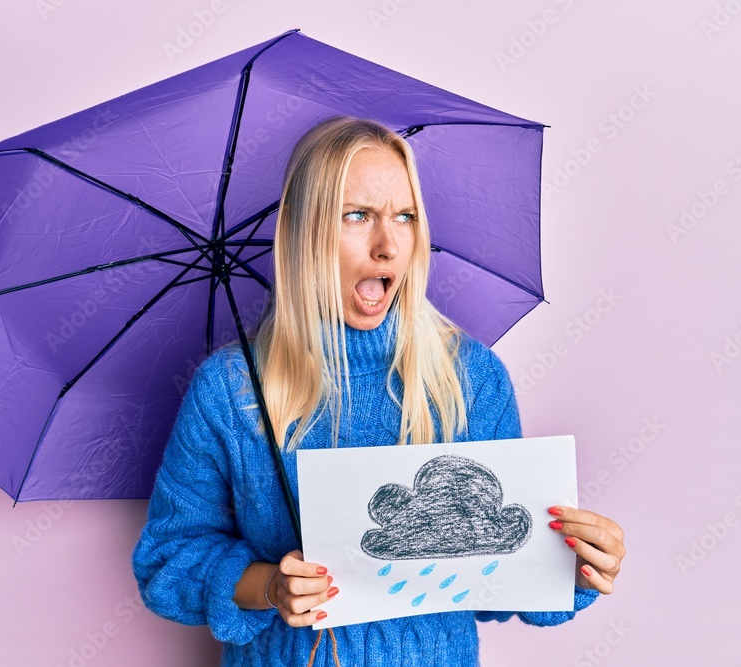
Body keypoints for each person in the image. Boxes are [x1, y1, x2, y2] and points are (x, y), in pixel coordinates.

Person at [132, 116, 625, 666]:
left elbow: (495, 576)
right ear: (302, 232)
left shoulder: (470, 379)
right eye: (358, 216)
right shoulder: (231, 390)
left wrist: (575, 565)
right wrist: (270, 586)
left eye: (405, 217)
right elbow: (168, 562)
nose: (388, 245)